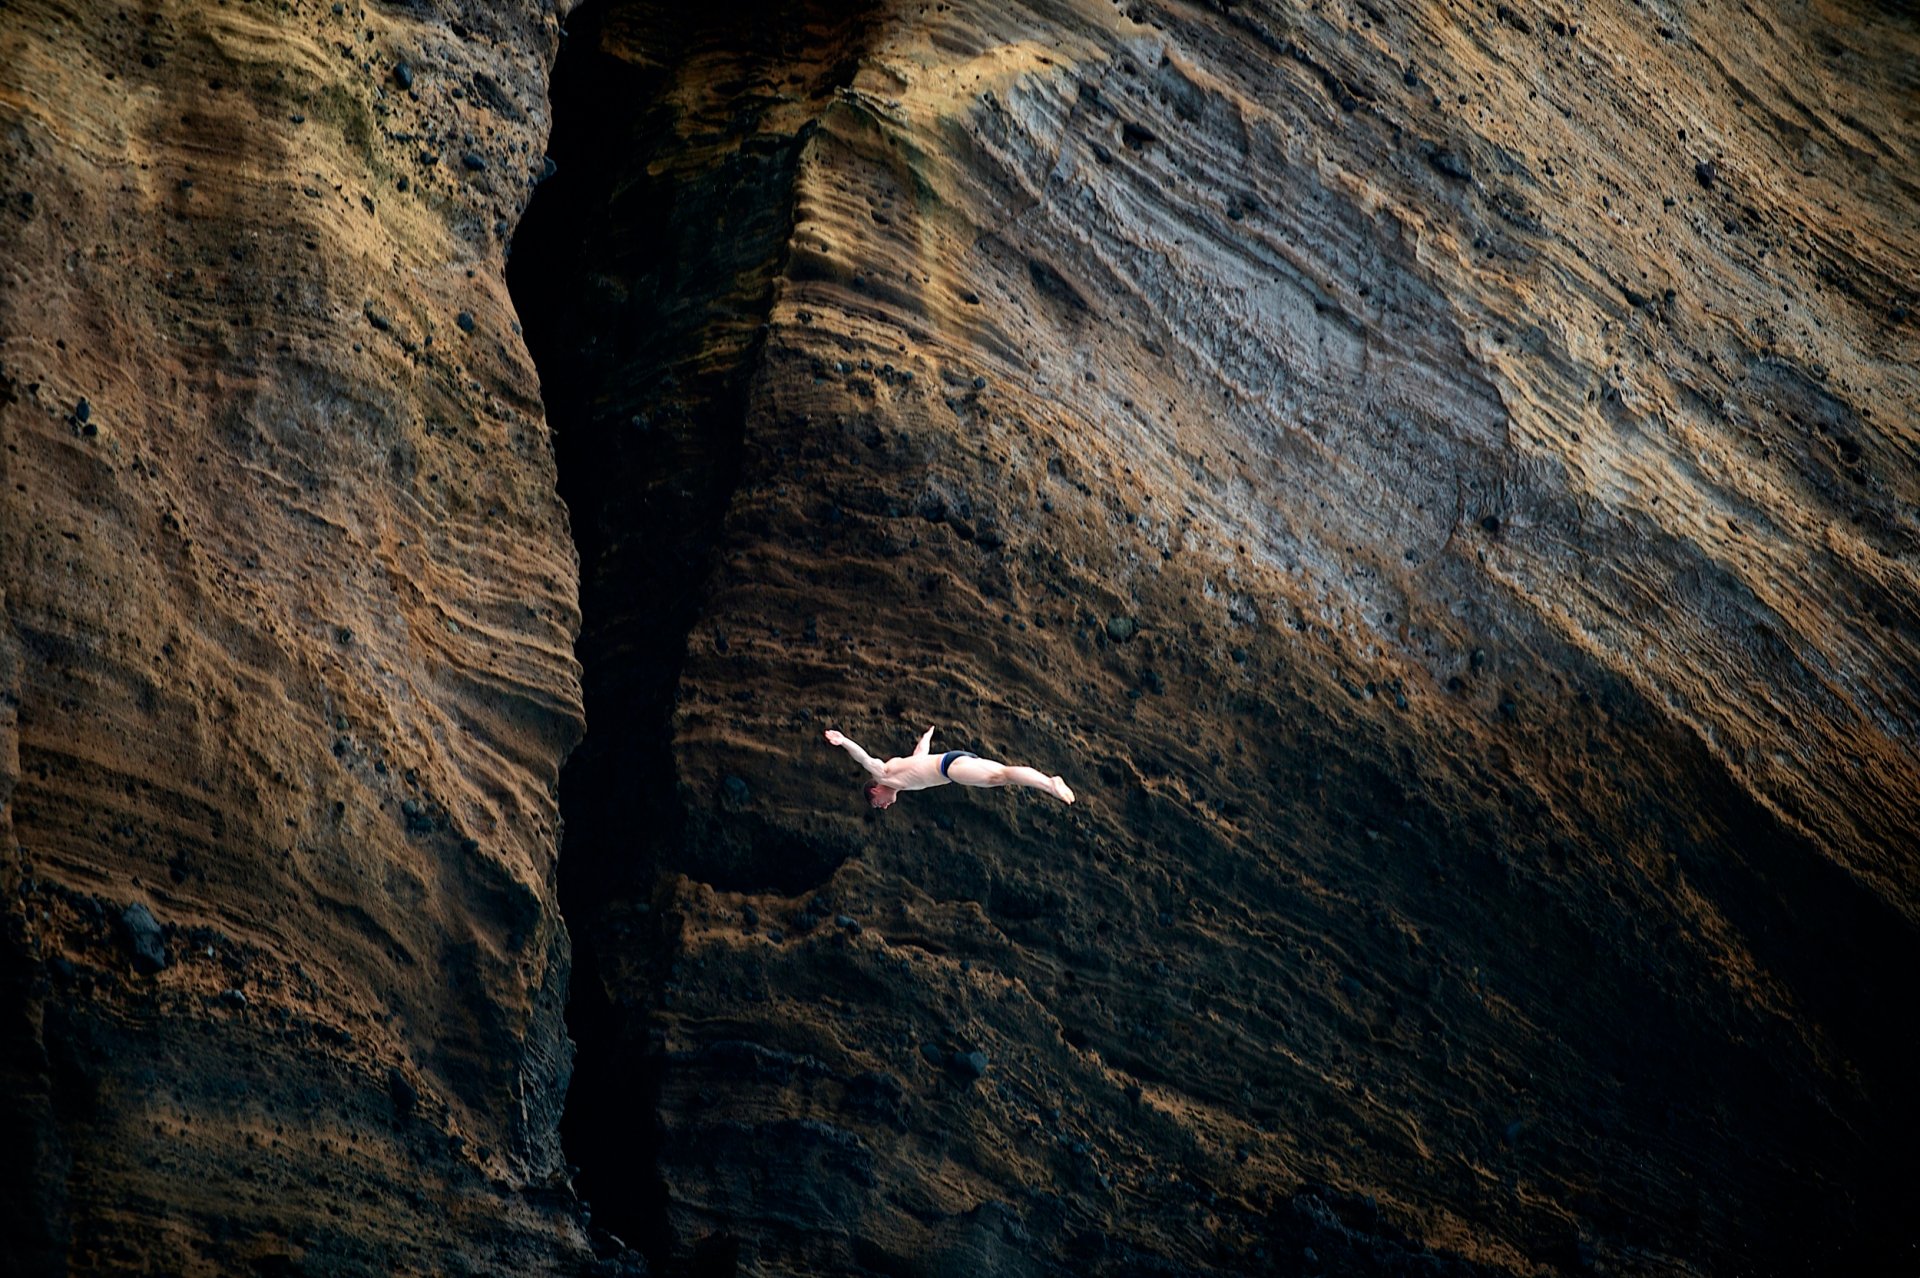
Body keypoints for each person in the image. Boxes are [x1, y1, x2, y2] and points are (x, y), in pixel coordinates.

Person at [823, 725, 1075, 809]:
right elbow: (920, 754)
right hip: (953, 759)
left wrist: (844, 741)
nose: (885, 806)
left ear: (875, 791)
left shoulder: (885, 775)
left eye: (880, 804)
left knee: (1001, 776)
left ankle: (1049, 783)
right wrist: (926, 738)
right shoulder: (897, 770)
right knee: (1000, 775)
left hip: (950, 769)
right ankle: (1048, 783)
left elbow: (864, 759)